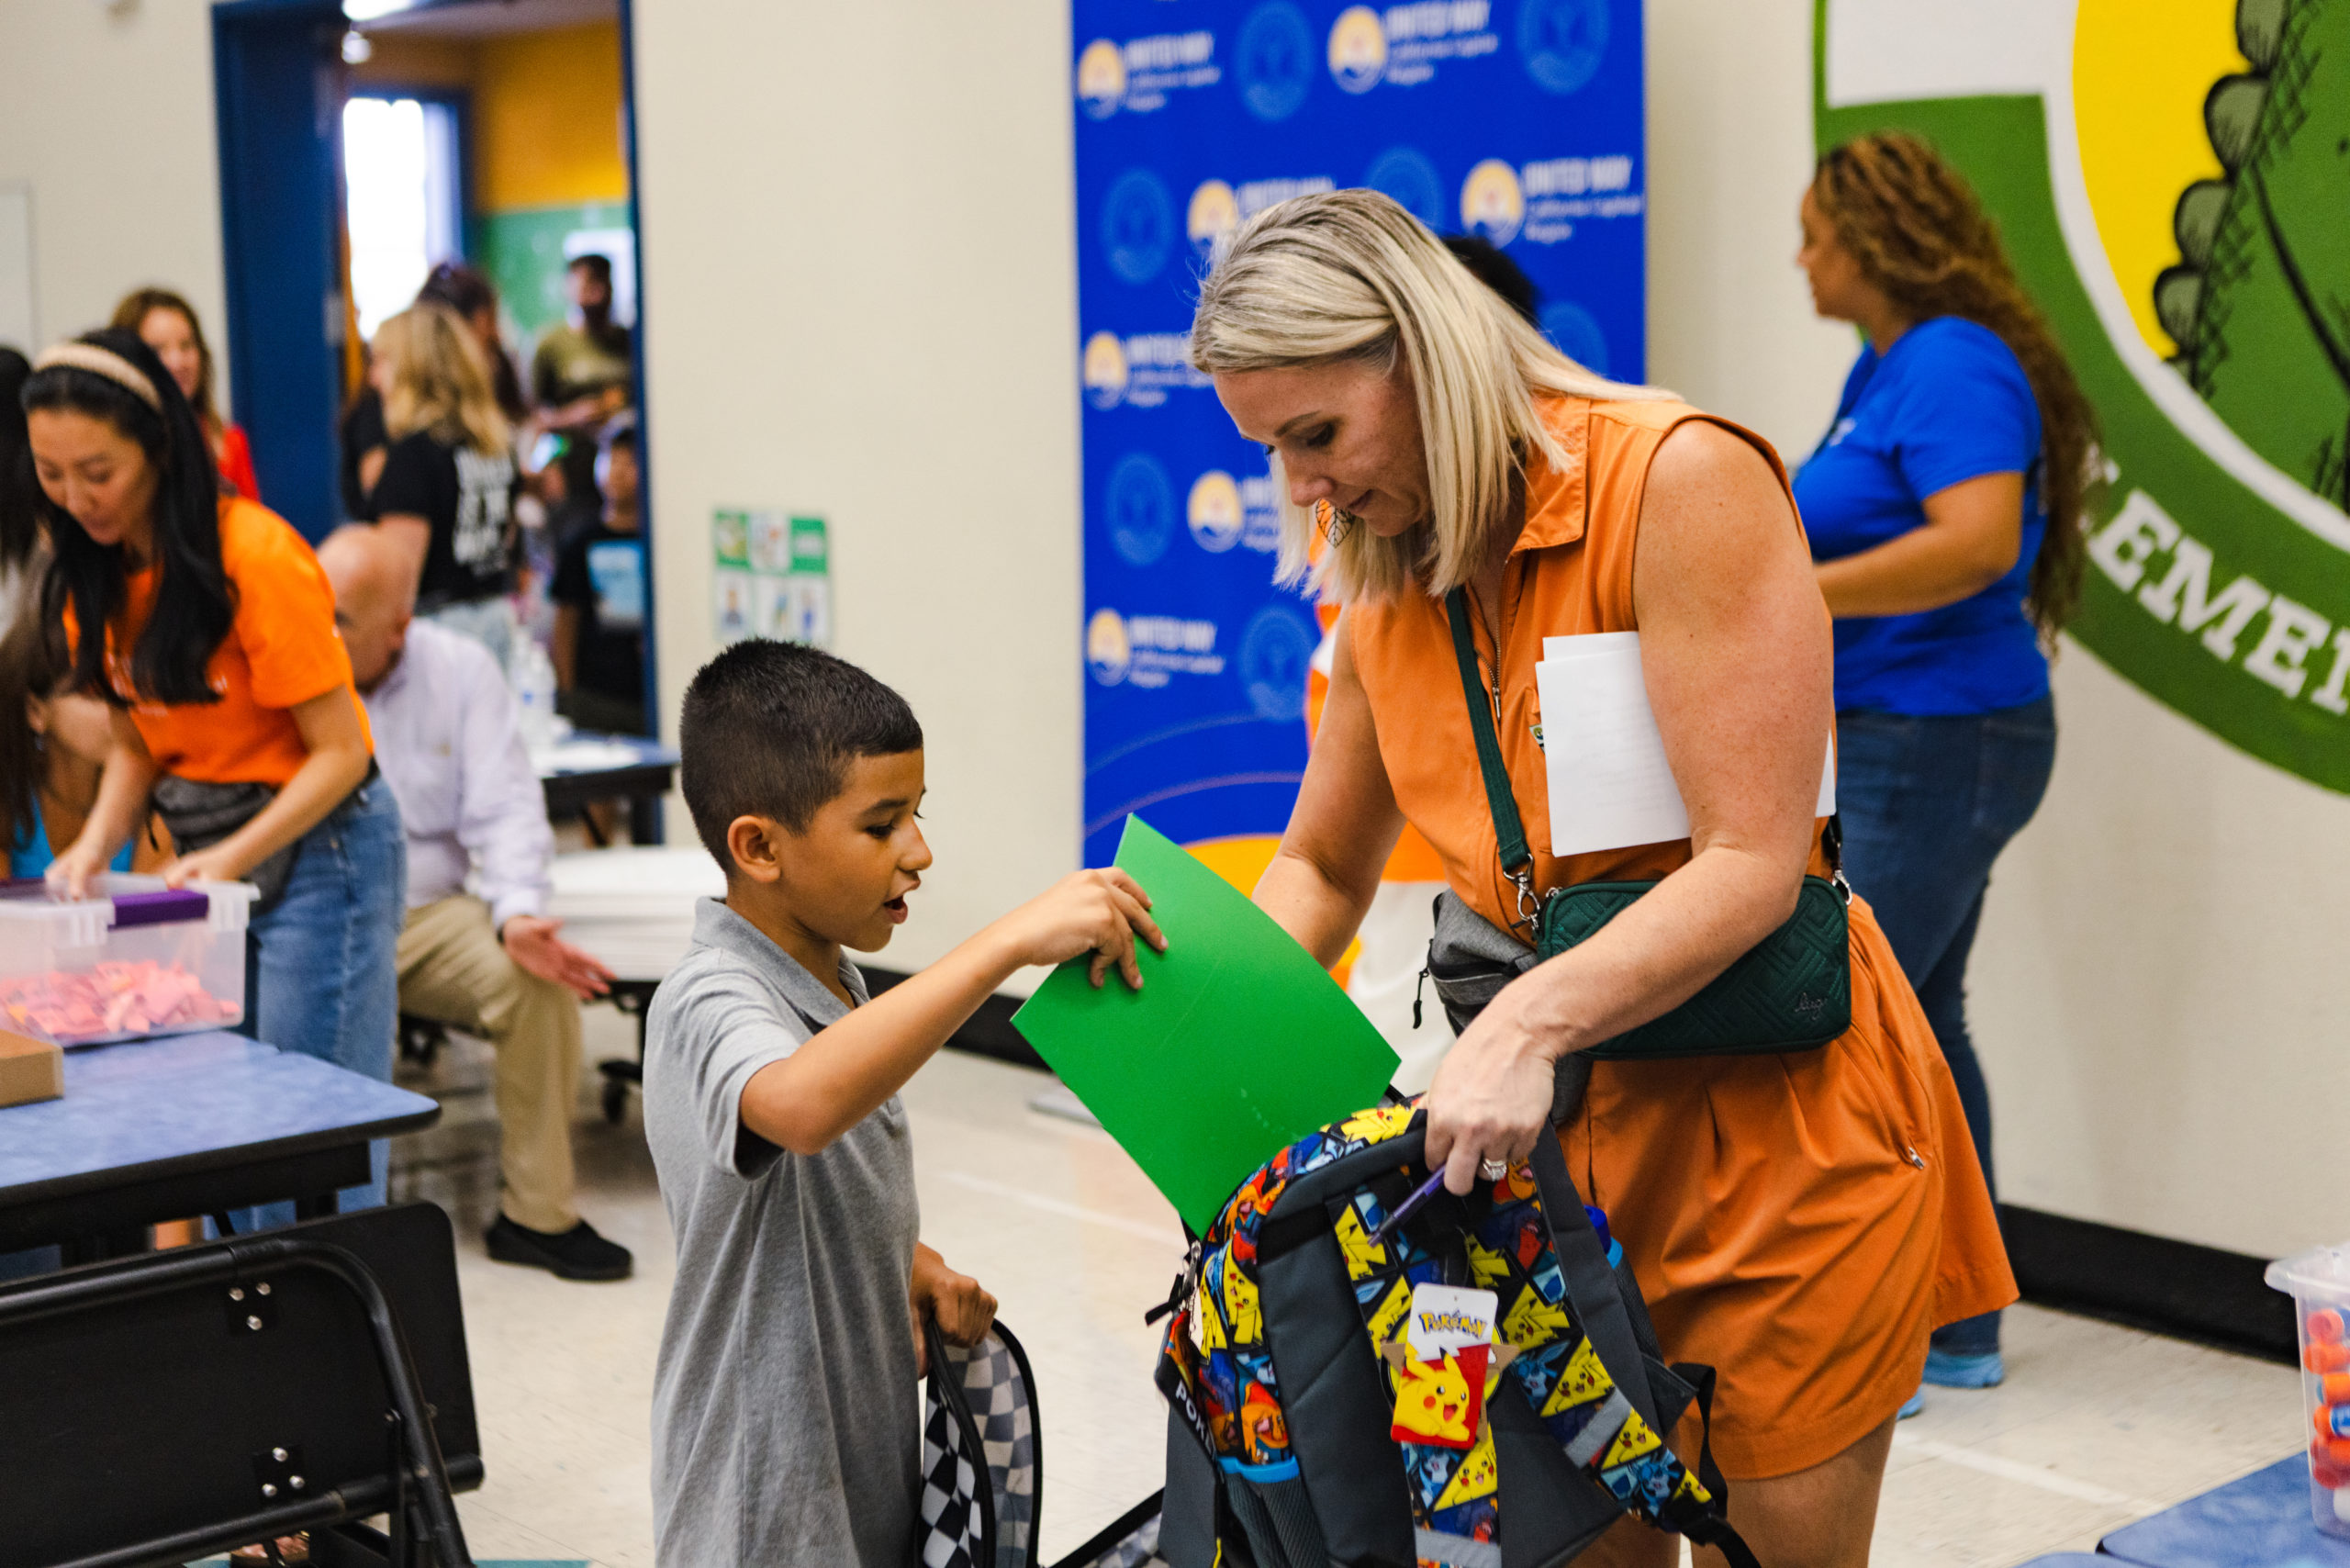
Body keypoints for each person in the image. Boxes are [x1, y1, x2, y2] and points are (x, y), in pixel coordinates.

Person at [1191, 189, 2011, 1566]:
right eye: (1273, 452)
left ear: (1423, 353)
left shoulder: (1678, 482)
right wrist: (1202, 1029)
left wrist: (1522, 1020)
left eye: (1317, 436)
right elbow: (1323, 863)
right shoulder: (1384, 565)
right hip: (1542, 1169)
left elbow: (1752, 863)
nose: (1303, 488)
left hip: (1770, 1142)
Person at [644, 638, 1164, 1566]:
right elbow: (799, 1107)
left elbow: (791, 1194)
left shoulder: (835, 980)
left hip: (857, 1477)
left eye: (916, 815)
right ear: (758, 847)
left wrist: (902, 1263)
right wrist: (1006, 942)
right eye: (882, 826)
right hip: (761, 1511)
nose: (919, 852)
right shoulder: (707, 994)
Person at [1792, 131, 2096, 1393]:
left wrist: (1795, 596)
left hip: (1943, 736)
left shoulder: (1954, 361)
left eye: (1814, 237)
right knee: (1923, 1016)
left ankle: (1874, 1346)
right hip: (1910, 731)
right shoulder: (1886, 365)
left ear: (1872, 244)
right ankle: (1957, 1325)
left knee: (1844, 1026)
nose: (1800, 259)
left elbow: (1975, 544)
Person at [28, 329, 405, 1214]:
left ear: (159, 453)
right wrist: (93, 847)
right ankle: (250, 1298)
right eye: (51, 473)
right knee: (230, 1120)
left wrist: (232, 856)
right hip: (217, 857)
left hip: (326, 852)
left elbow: (342, 754)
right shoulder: (96, 575)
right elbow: (137, 743)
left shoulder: (257, 557)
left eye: (98, 472)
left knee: (312, 1134)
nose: (76, 498)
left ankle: (331, 1299)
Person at [316, 528, 634, 1281]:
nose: (320, 635)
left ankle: (536, 1217)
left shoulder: (459, 671)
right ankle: (319, 1227)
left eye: (341, 621)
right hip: (317, 912)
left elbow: (507, 808)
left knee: (534, 984)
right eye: (314, 611)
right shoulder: (285, 667)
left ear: (399, 627)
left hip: (424, 913)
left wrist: (517, 913)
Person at [366, 303, 520, 669]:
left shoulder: (414, 455)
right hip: (495, 621)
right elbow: (507, 538)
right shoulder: (495, 445)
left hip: (437, 637)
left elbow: (397, 582)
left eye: (381, 362)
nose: (373, 378)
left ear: (412, 369)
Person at [1, 610, 168, 877]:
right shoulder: (8, 799)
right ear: (35, 711)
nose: (117, 713)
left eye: (122, 693)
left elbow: (152, 902)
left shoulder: (164, 795)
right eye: (93, 697)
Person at [110, 287, 261, 502]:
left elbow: (252, 520)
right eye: (157, 350)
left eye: (186, 345)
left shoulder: (229, 443)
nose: (177, 362)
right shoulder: (112, 446)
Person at [551, 414, 645, 734]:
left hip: (644, 693)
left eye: (630, 462)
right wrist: (566, 693)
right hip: (594, 694)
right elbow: (566, 621)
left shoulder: (659, 545)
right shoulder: (582, 541)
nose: (616, 470)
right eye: (610, 458)